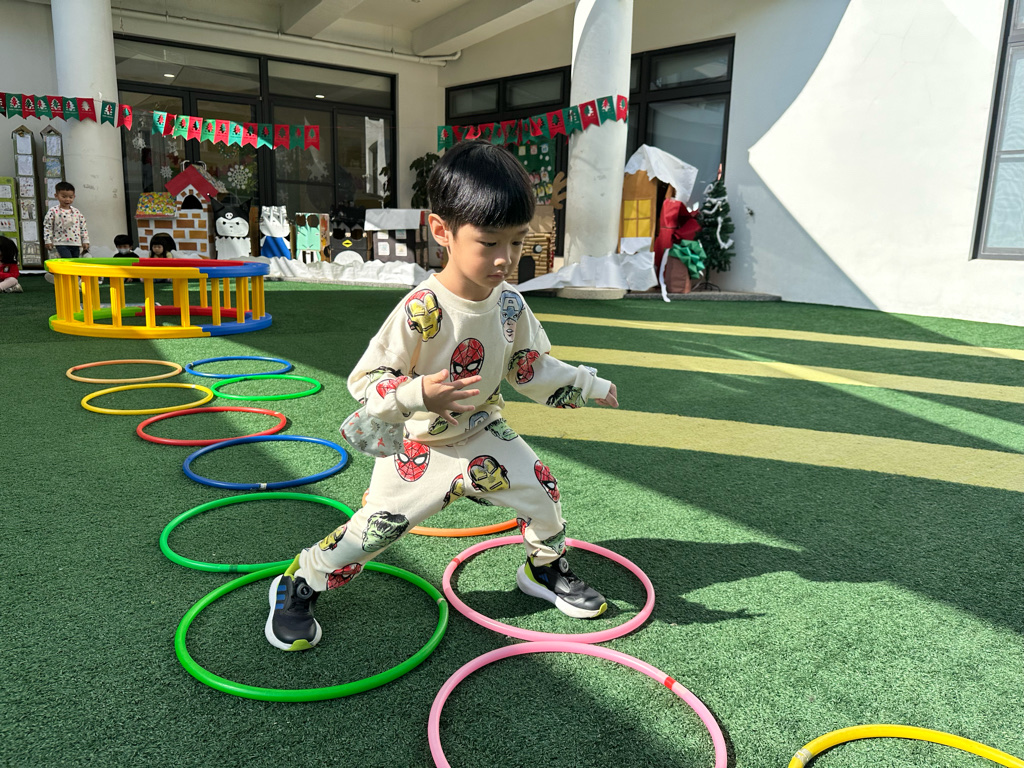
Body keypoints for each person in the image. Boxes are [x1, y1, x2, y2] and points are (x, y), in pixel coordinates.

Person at [265, 140, 619, 651]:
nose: (505, 259)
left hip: (482, 433)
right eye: (489, 242)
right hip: (418, 446)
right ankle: (303, 576)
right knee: (374, 532)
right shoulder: (421, 308)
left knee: (543, 493)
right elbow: (367, 380)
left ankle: (543, 568)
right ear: (441, 231)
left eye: (517, 241)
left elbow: (528, 365)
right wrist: (416, 393)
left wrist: (587, 383)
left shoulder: (511, 305)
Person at [43, 181, 89, 259]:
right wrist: (48, 240)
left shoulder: (76, 212)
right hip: (61, 243)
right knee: (67, 261)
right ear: (56, 196)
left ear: (74, 196)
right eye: (64, 197)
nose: (67, 199)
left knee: (74, 262)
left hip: (76, 243)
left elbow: (83, 227)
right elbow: (48, 226)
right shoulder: (53, 211)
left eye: (70, 197)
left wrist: (85, 240)